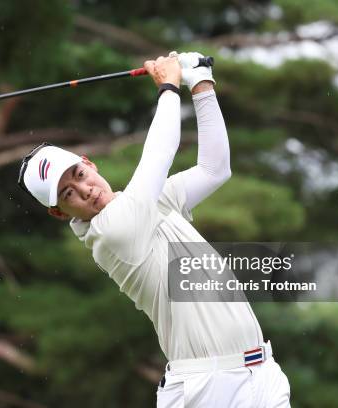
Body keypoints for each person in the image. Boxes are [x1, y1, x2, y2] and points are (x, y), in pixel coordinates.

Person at [18, 52, 291, 407]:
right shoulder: (111, 232)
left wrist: (201, 83)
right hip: (205, 389)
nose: (85, 190)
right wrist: (168, 85)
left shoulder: (151, 202)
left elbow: (214, 169)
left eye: (80, 175)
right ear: (59, 212)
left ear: (89, 163)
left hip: (262, 374)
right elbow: (159, 153)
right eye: (69, 193)